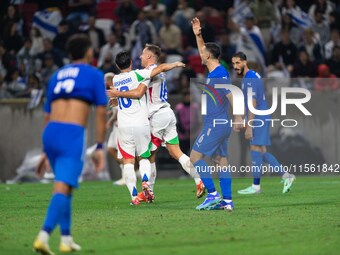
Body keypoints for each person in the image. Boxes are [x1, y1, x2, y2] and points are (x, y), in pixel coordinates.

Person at [33, 34, 107, 254]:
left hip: (51, 133)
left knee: (65, 188)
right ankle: (43, 237)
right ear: (88, 52)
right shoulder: (94, 74)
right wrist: (100, 147)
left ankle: (66, 239)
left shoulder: (56, 75)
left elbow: (46, 116)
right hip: (71, 134)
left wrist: (45, 151)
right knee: (61, 188)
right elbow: (101, 112)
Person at [108, 44, 205, 201]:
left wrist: (175, 64)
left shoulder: (150, 72)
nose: (139, 57)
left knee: (148, 156)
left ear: (149, 57)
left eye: (142, 54)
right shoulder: (153, 72)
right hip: (167, 113)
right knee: (176, 152)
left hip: (156, 116)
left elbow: (155, 75)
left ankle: (148, 191)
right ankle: (199, 180)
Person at [190, 17, 243, 212]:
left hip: (217, 124)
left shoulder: (219, 75)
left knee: (195, 157)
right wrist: (198, 35)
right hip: (220, 124)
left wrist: (239, 118)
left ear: (210, 57)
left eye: (203, 54)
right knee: (221, 162)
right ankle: (227, 201)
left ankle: (212, 194)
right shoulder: (215, 71)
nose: (200, 55)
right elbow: (204, 49)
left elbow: (233, 96)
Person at [231, 51, 296, 195]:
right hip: (262, 116)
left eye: (237, 63)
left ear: (244, 62)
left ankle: (256, 187)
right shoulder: (252, 76)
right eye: (233, 64)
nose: (235, 66)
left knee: (255, 149)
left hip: (258, 117)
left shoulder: (249, 79)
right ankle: (286, 176)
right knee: (262, 151)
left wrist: (249, 126)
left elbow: (252, 103)